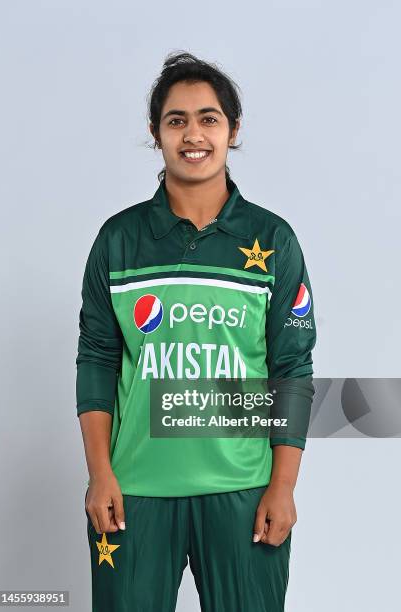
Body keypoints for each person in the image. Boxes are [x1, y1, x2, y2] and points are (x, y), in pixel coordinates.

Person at [76, 51, 317, 612]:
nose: (193, 134)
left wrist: (282, 486)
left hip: (243, 492)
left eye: (209, 118)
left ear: (233, 131)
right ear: (156, 133)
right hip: (133, 490)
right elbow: (96, 361)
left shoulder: (272, 239)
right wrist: (99, 473)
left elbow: (292, 368)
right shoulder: (119, 240)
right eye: (176, 120)